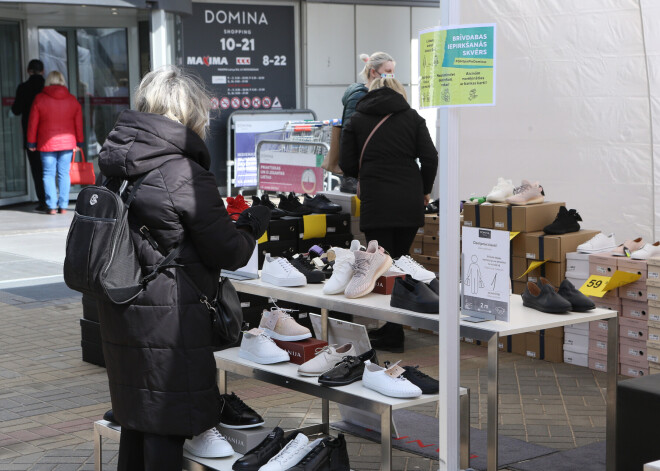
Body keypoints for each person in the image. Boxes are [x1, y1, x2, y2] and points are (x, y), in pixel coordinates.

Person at [95, 66, 270, 471]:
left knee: (138, 418)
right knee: (165, 430)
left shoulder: (115, 162)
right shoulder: (182, 171)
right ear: (190, 112)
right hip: (171, 316)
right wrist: (252, 225)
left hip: (125, 304)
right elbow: (227, 251)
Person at [339, 77, 438, 352]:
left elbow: (346, 163)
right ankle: (394, 329)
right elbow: (430, 157)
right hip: (409, 199)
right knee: (402, 262)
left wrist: (365, 171)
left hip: (377, 199)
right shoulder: (412, 117)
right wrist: (424, 190)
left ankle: (392, 331)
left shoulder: (358, 118)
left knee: (380, 265)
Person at [27, 70, 83, 215]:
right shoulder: (72, 99)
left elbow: (33, 123)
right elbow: (79, 123)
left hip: (46, 143)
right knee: (64, 173)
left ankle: (51, 206)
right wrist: (79, 142)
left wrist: (31, 142)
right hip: (67, 143)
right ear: (62, 81)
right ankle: (63, 206)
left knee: (48, 174)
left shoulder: (39, 99)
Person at [339, 51, 396, 193]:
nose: (392, 75)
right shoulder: (358, 96)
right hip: (360, 170)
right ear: (373, 72)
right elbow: (349, 135)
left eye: (393, 71)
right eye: (388, 71)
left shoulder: (383, 96)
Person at [11, 59, 46, 212]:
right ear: (43, 71)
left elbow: (16, 109)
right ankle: (54, 200)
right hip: (48, 135)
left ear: (28, 71)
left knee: (37, 169)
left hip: (30, 135)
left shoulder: (23, 87)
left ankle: (43, 201)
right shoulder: (48, 88)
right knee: (51, 169)